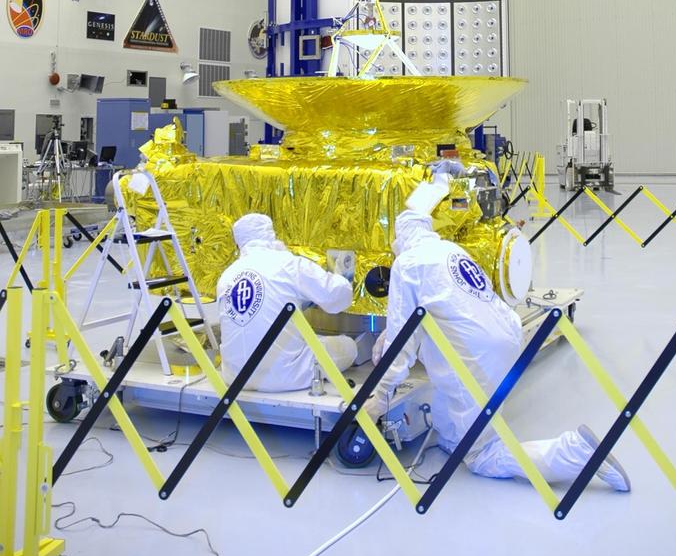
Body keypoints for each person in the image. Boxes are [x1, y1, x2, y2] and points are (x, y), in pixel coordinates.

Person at [364, 198, 630, 491]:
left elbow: (402, 341)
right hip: (506, 336)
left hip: (477, 358)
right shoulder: (448, 250)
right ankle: (458, 437)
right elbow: (442, 304)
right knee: (450, 425)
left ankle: (576, 452)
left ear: (401, 237)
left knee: (480, 455)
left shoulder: (408, 263)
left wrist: (379, 395)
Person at [217, 213, 357, 392]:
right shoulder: (288, 264)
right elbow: (338, 297)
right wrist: (340, 273)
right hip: (284, 376)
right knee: (349, 346)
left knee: (308, 340)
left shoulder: (226, 276)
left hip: (234, 376)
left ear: (237, 243)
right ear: (271, 234)